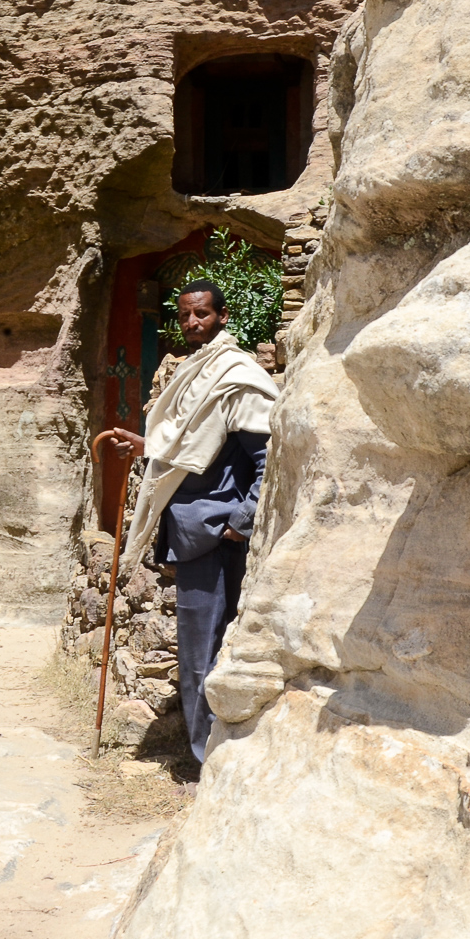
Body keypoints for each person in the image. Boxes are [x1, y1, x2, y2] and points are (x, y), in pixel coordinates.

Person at [99, 278, 279, 763]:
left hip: (216, 536)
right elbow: (192, 449)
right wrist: (146, 448)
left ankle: (207, 760)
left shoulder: (235, 376)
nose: (192, 323)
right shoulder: (198, 371)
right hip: (195, 531)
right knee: (202, 648)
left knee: (206, 652)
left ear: (222, 317)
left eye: (201, 314)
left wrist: (238, 523)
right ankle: (215, 753)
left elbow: (267, 462)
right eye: (184, 316)